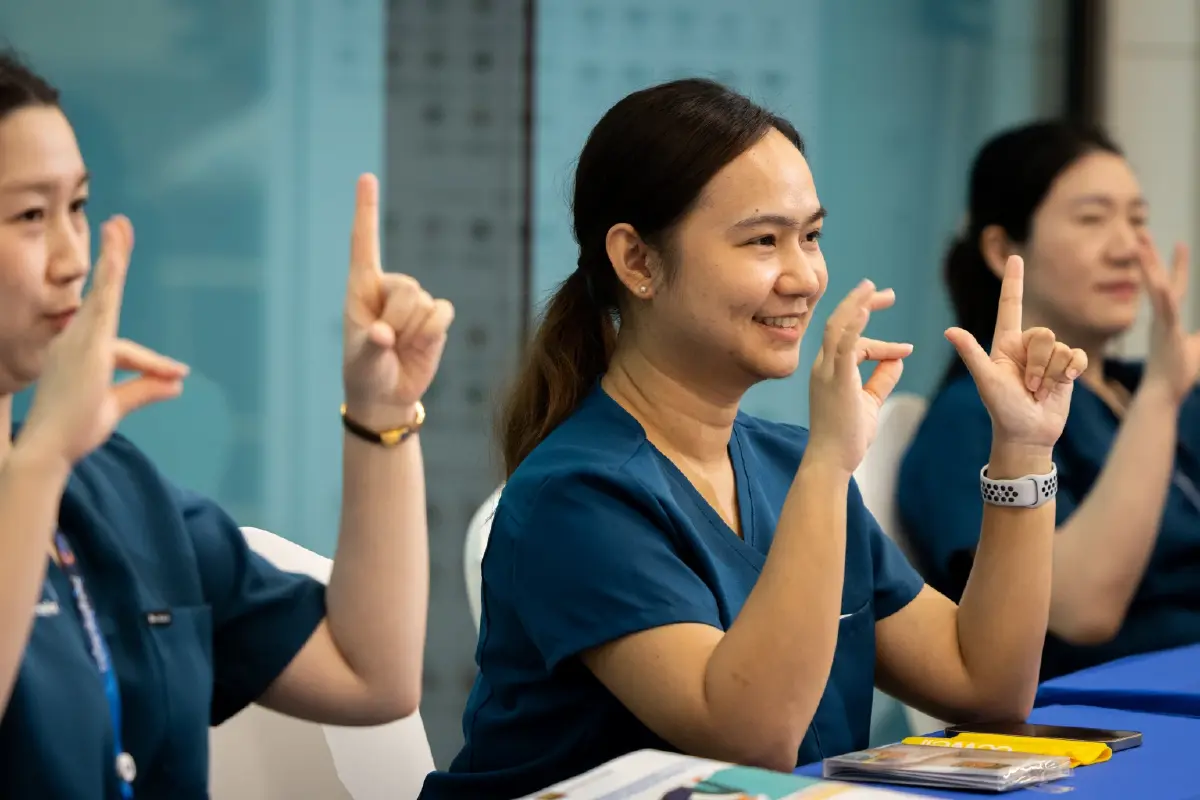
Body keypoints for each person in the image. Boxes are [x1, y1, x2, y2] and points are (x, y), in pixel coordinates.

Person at [419, 79, 1086, 799]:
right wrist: (832, 463)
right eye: (763, 240)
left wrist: (1022, 449)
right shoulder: (577, 493)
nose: (804, 276)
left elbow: (984, 684)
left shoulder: (786, 461)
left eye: (811, 236)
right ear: (637, 262)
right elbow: (753, 739)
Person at [0, 50, 452, 798]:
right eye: (29, 216)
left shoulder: (112, 488)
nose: (71, 258)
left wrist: (381, 412)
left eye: (77, 207)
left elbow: (371, 676)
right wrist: (44, 455)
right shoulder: (62, 459)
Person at [899, 120, 1200, 680]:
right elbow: (1080, 612)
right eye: (1092, 219)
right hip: (1100, 713)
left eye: (1138, 220)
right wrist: (1162, 394)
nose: (1127, 249)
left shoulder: (1152, 386)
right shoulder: (975, 422)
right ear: (1001, 248)